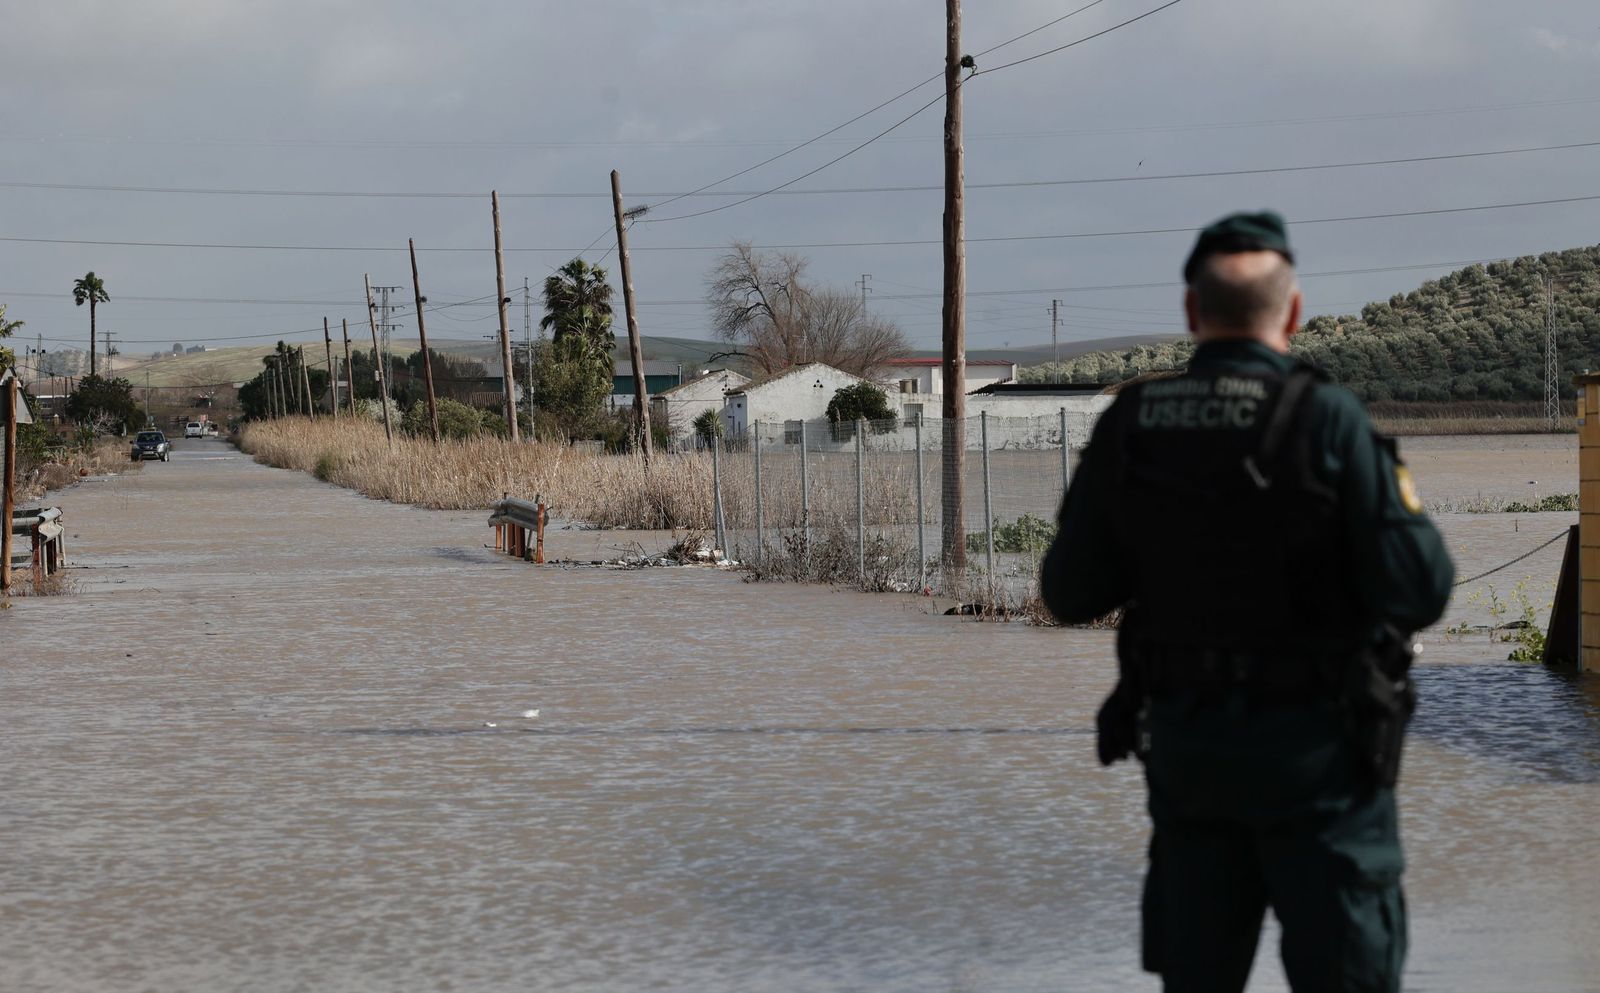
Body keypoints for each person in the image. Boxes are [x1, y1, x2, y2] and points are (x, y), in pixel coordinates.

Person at [1040, 211, 1455, 993]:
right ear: (1292, 312)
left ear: (1193, 313)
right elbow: (1423, 588)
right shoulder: (1328, 418)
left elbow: (1068, 593)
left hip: (1192, 759)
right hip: (1324, 766)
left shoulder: (1134, 422)